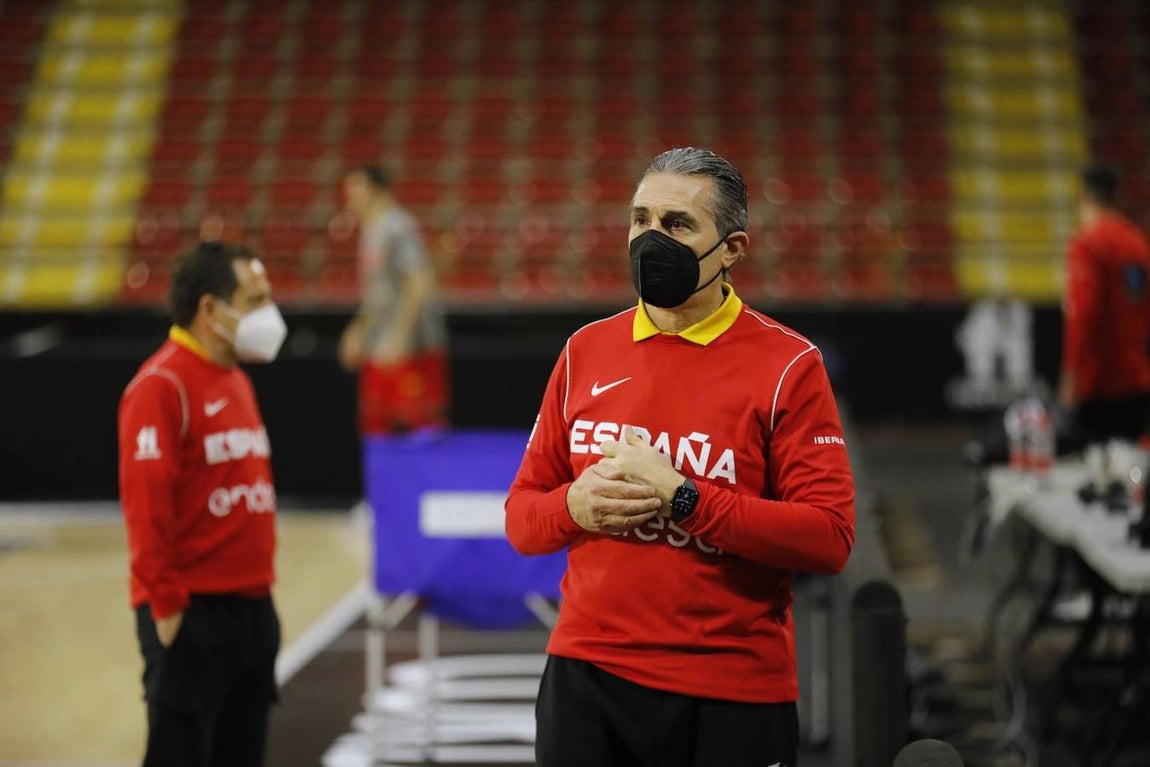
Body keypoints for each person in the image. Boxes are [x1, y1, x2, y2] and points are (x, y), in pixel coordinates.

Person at [505, 147, 856, 766]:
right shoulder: (585, 351)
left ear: (733, 250)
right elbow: (522, 520)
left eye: (677, 225)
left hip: (731, 691)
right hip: (588, 677)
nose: (650, 239)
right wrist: (572, 506)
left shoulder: (788, 366)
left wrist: (685, 498)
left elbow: (828, 538)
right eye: (640, 220)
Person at [118, 241, 288, 767]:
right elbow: (146, 508)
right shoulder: (161, 385)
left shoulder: (236, 378)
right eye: (254, 299)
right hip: (193, 613)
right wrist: (167, 608)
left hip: (253, 610)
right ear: (211, 309)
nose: (268, 314)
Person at [337, 165, 449, 434]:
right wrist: (357, 331)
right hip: (381, 341)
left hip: (410, 345)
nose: (350, 199)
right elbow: (377, 294)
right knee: (378, 425)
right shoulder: (371, 232)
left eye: (356, 191)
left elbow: (419, 282)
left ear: (376, 191)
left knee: (415, 425)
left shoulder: (398, 227)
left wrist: (400, 336)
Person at [1059, 163, 1150, 446]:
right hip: (1137, 381)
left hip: (1099, 385)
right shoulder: (1138, 244)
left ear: (1083, 197)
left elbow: (1084, 315)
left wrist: (1071, 379)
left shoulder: (1087, 244)